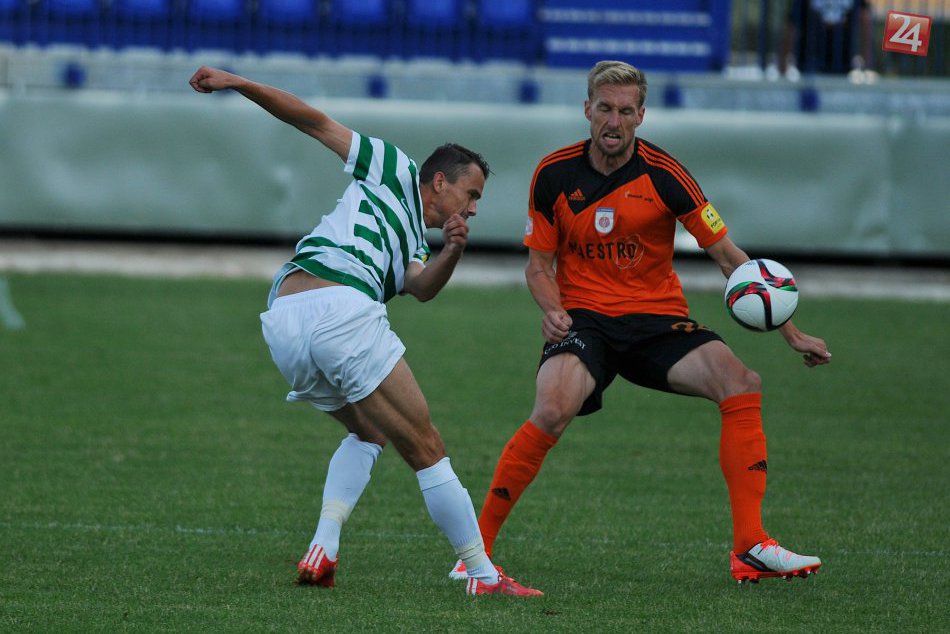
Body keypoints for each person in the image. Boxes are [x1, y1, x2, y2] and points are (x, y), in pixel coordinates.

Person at [449, 60, 832, 584]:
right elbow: (538, 267)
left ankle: (750, 547)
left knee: (742, 382)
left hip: (657, 320)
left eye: (626, 111)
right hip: (585, 320)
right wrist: (553, 310)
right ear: (587, 109)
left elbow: (729, 258)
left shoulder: (666, 174)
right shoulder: (554, 174)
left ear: (641, 115)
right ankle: (476, 555)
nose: (614, 121)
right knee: (552, 408)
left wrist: (790, 331)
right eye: (605, 109)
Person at [188, 66, 541, 597]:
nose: (473, 207)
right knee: (426, 446)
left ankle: (323, 547)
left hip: (285, 320)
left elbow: (420, 287)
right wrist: (238, 82)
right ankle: (482, 574)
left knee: (370, 433)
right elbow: (312, 121)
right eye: (471, 194)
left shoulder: (416, 241)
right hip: (339, 310)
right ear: (439, 182)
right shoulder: (393, 166)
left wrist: (452, 251)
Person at [779, 0, 872, 76]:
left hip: (840, 65)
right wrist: (782, 64)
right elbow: (792, 26)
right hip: (811, 66)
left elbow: (865, 20)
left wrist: (867, 64)